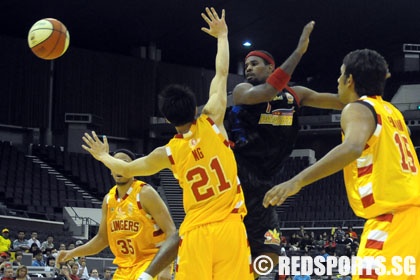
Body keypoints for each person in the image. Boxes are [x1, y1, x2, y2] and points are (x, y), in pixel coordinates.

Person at [82, 7, 253, 280]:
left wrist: (103, 155)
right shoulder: (212, 121)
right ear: (194, 109)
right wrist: (222, 36)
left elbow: (126, 170)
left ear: (166, 118)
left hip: (196, 232)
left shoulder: (168, 153)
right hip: (230, 226)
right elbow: (221, 74)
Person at [263, 49, 420, 279]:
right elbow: (319, 98)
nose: (337, 80)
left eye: (340, 74)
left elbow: (352, 147)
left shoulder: (357, 109)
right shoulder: (391, 111)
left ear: (350, 80)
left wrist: (296, 182)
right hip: (409, 217)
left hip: (393, 220)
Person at [225, 20, 345, 276]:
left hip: (264, 182)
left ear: (271, 66)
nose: (248, 68)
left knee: (272, 252)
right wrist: (299, 51)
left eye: (254, 63)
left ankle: (251, 274)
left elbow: (340, 102)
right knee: (228, 242)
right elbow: (268, 91)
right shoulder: (242, 90)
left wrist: (366, 91)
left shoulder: (296, 93)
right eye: (246, 65)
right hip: (235, 175)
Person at [57, 149, 176, 280]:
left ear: (133, 168)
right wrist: (71, 253)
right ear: (111, 168)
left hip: (150, 264)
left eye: (124, 163)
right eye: (116, 163)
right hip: (124, 269)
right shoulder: (108, 200)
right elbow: (102, 240)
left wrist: (165, 268)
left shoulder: (145, 193)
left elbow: (171, 231)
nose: (119, 166)